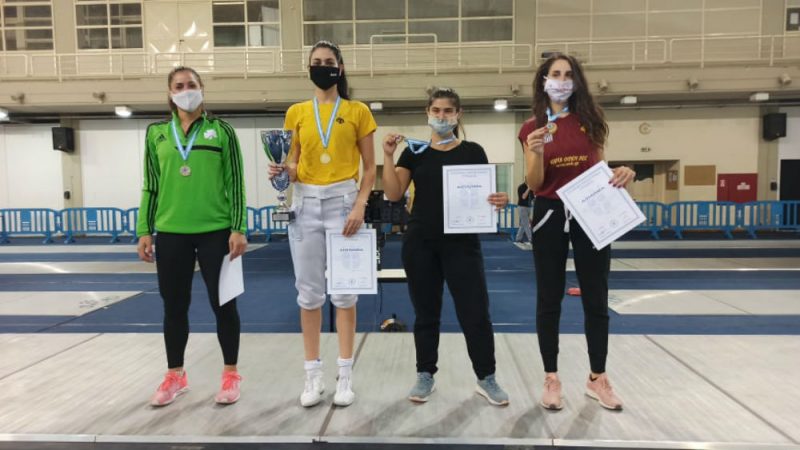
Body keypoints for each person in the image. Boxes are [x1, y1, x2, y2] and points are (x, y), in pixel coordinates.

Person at [519, 54, 634, 411]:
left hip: (590, 211)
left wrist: (621, 172)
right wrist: (535, 152)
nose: (562, 80)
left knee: (596, 297)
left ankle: (597, 377)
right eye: (555, 74)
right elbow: (534, 183)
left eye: (568, 74)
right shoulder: (531, 127)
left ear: (576, 81)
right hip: (550, 213)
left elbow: (599, 167)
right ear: (544, 80)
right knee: (549, 298)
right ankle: (551, 377)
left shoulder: (590, 121)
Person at [382, 87, 510, 406]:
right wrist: (387, 155)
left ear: (458, 114)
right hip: (421, 244)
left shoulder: (473, 152)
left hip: (462, 245)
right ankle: (425, 374)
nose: (441, 116)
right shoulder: (414, 152)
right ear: (428, 113)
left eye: (448, 111)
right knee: (426, 313)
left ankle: (486, 377)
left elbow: (485, 196)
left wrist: (498, 200)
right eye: (436, 110)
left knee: (475, 312)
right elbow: (394, 194)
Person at [269, 40, 376, 408]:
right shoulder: (296, 112)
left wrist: (360, 205)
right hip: (306, 203)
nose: (322, 66)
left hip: (345, 203)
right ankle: (312, 375)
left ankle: (345, 375)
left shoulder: (358, 111)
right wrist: (283, 172)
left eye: (328, 61)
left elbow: (370, 168)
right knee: (309, 293)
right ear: (309, 67)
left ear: (340, 68)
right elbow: (294, 163)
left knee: (345, 293)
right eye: (316, 61)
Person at [136, 66, 248, 407]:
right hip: (171, 233)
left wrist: (239, 227)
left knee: (224, 305)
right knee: (174, 307)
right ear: (170, 94)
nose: (186, 90)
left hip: (217, 232)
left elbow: (235, 183)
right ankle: (175, 375)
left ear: (202, 88)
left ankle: (230, 374)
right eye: (179, 86)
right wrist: (144, 229)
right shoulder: (156, 133)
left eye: (191, 84)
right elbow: (150, 185)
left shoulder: (222, 131)